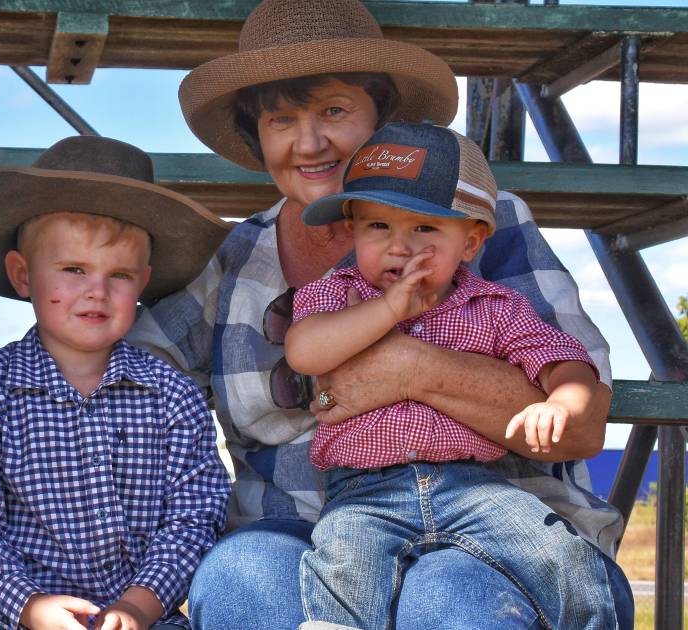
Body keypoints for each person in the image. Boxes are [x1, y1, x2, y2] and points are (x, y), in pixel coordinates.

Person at [125, 0, 634, 627]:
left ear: (383, 116)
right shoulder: (234, 261)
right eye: (282, 119)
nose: (309, 142)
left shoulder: (480, 225)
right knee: (240, 577)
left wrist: (408, 367)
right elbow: (128, 369)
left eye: (334, 110)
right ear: (258, 136)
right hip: (299, 529)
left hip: (488, 515)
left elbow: (581, 425)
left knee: (446, 596)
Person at [284, 122, 614, 629]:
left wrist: (563, 401)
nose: (399, 247)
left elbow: (559, 357)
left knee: (556, 551)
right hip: (365, 490)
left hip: (473, 486)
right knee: (344, 566)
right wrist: (390, 310)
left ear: (471, 240)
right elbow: (305, 351)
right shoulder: (338, 294)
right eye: (378, 227)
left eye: (423, 228)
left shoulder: (493, 306)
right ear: (352, 229)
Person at [0, 136, 232, 630]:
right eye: (73, 269)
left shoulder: (173, 396)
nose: (97, 290)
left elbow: (193, 518)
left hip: (147, 619)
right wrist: (29, 606)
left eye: (119, 274)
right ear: (23, 275)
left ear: (144, 282)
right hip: (16, 618)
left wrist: (139, 605)